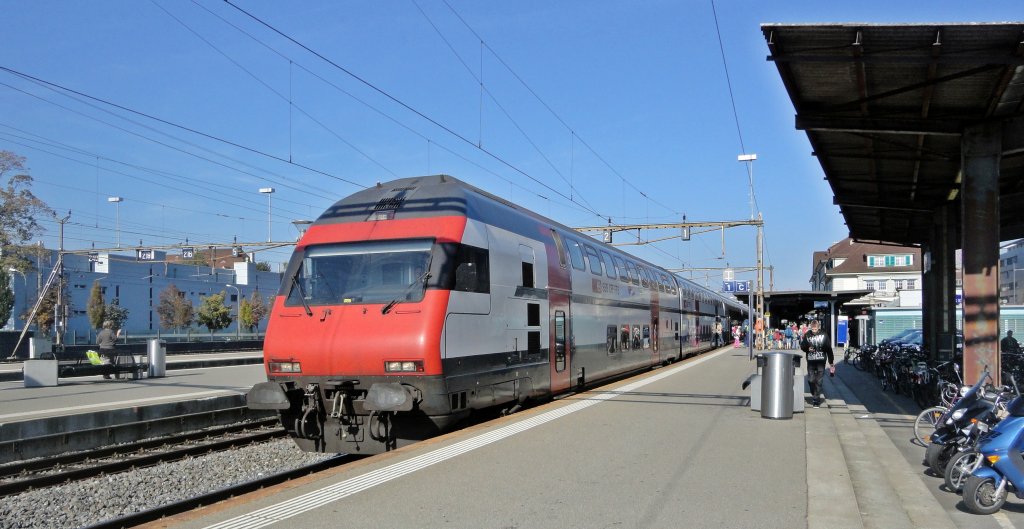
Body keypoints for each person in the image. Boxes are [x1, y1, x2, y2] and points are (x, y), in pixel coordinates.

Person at [800, 319, 834, 408]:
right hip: (811, 361)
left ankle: (816, 399)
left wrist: (831, 362)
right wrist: (808, 348)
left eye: (815, 330)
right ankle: (814, 392)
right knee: (811, 380)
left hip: (821, 361)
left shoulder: (824, 335)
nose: (814, 331)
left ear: (818, 328)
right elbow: (802, 346)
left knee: (819, 381)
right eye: (812, 329)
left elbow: (829, 349)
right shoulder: (807, 335)